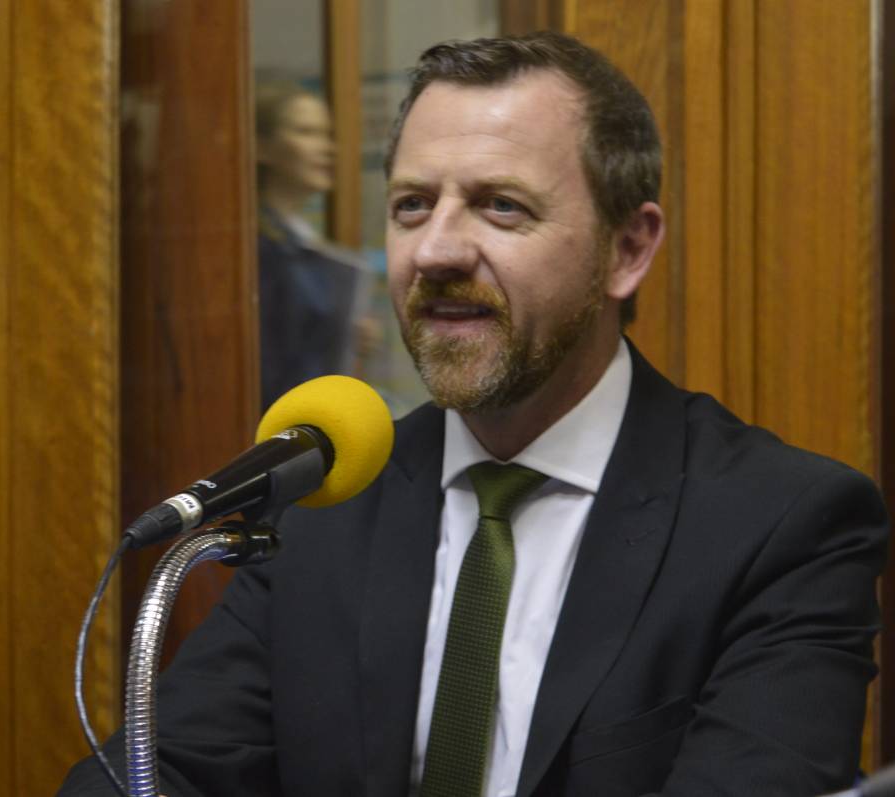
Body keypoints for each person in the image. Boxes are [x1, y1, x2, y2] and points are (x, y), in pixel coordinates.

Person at [60, 32, 886, 796]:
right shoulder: (327, 497)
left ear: (627, 249)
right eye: (412, 205)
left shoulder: (781, 523)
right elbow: (168, 768)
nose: (435, 251)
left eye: (501, 206)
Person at [254, 81, 370, 409]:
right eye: (306, 132)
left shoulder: (301, 241)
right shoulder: (260, 249)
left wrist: (345, 336)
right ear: (262, 147)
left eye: (326, 134)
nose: (327, 148)